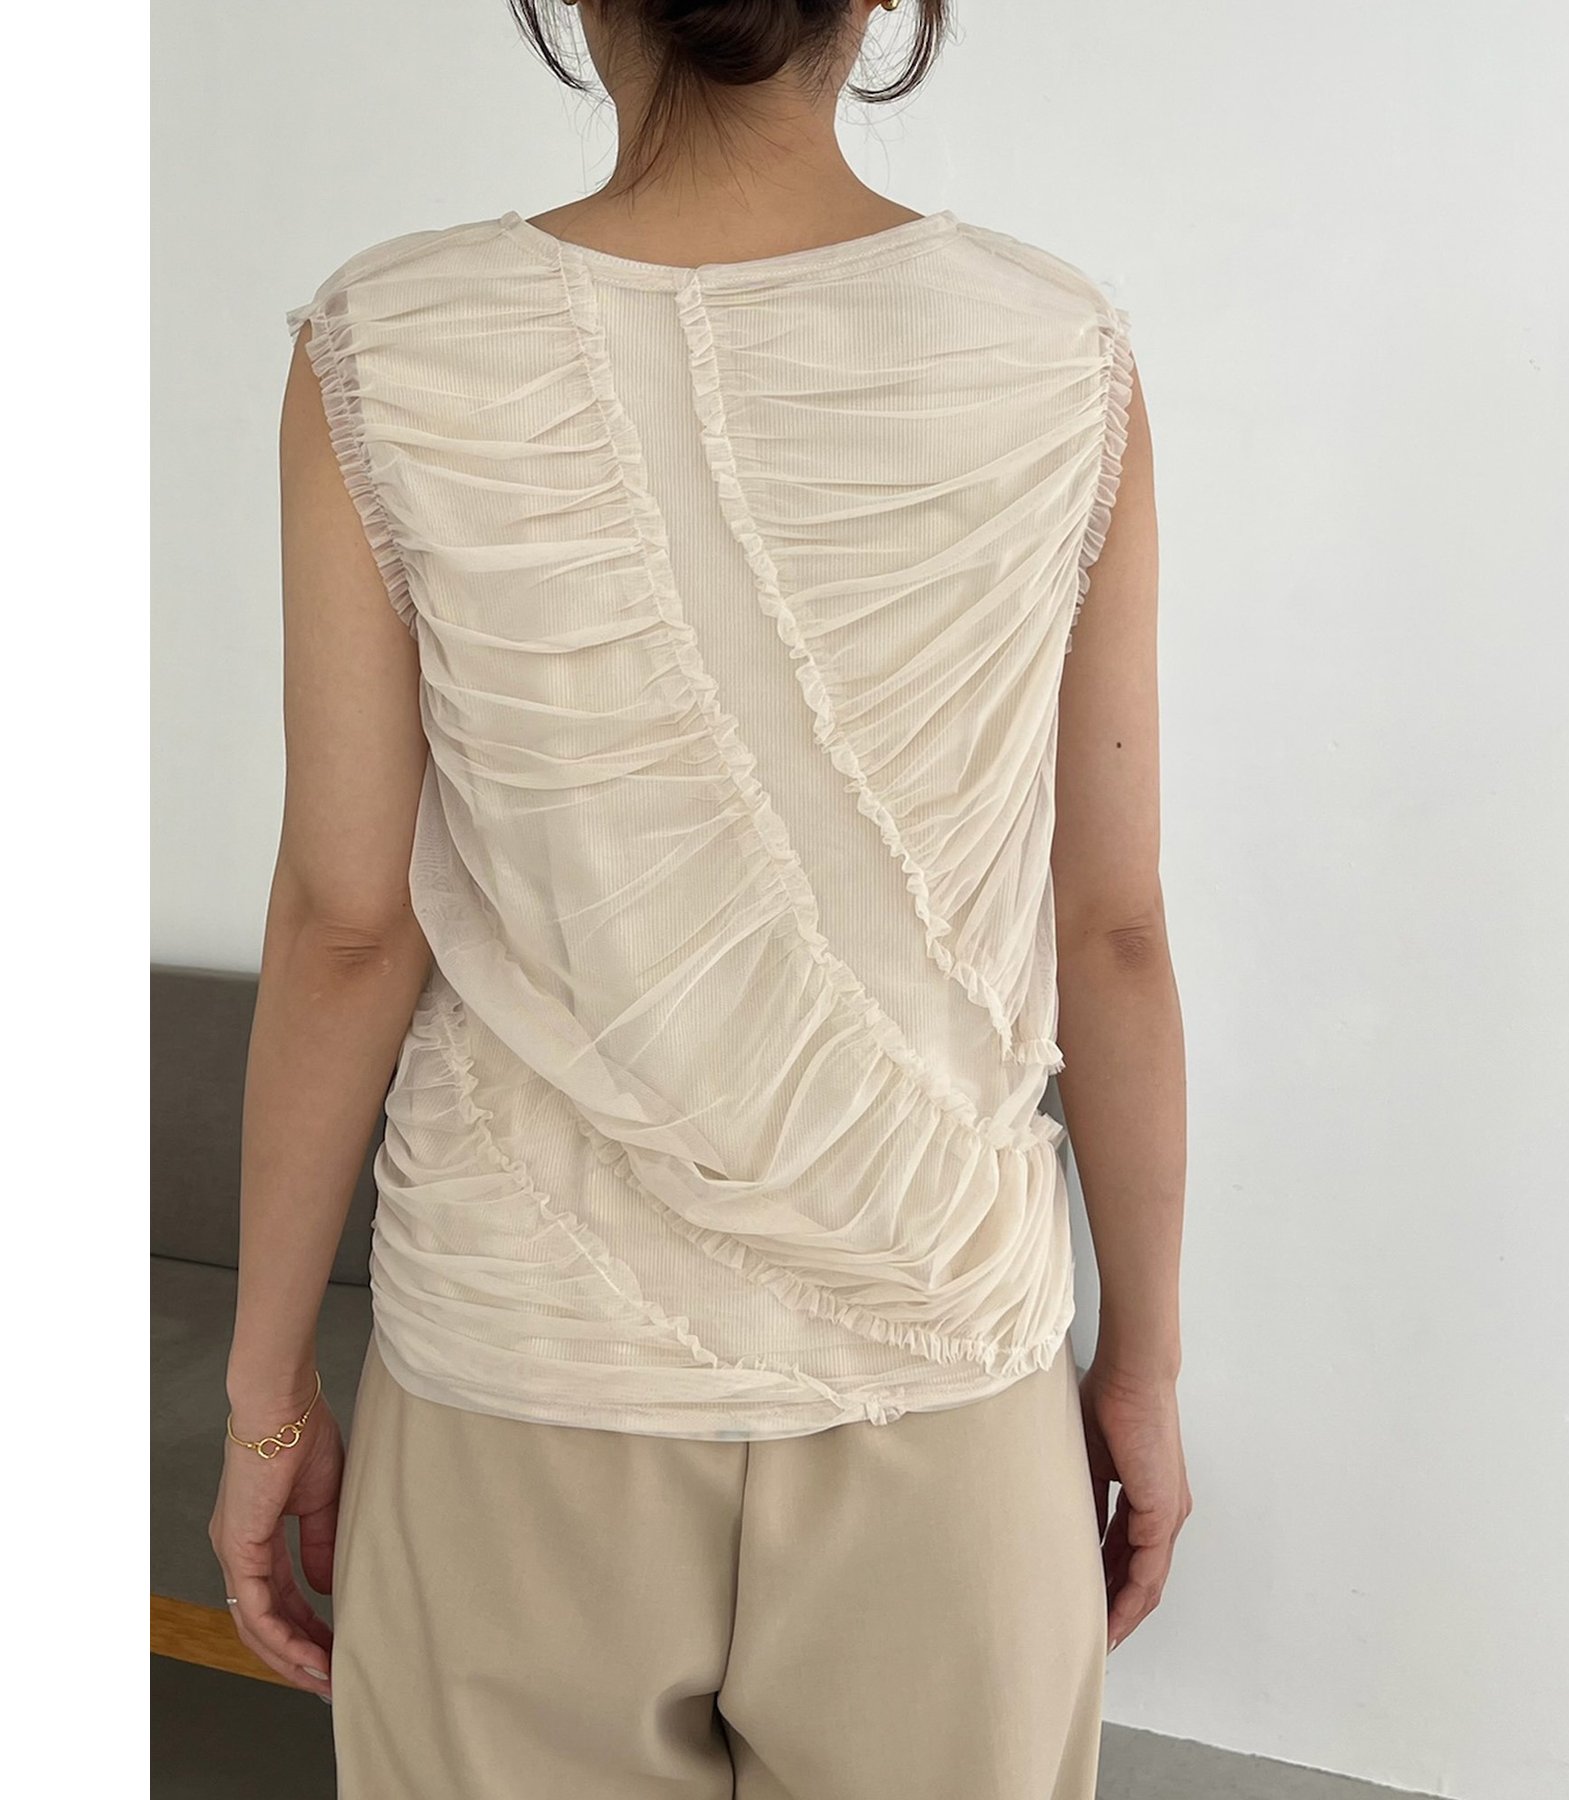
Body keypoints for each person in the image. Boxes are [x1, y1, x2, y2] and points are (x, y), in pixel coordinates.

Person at [208, 2, 1189, 1794]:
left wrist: (267, 1401)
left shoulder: (390, 343)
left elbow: (348, 925)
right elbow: (1110, 928)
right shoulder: (1060, 350)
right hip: (941, 1377)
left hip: (521, 1369)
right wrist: (1144, 1371)